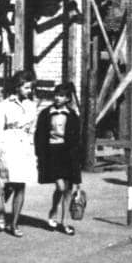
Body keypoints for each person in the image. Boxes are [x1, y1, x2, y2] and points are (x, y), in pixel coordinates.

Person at [0, 70, 39, 236]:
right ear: (17, 87)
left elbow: (33, 129)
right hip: (8, 146)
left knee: (21, 185)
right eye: (26, 87)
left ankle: (14, 224)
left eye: (31, 88)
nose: (29, 91)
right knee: (8, 183)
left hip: (25, 148)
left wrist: (34, 151)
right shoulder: (4, 105)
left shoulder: (32, 105)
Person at [34, 82, 82, 236]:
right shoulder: (45, 113)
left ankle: (65, 222)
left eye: (61, 95)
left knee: (68, 189)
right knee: (60, 187)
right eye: (56, 94)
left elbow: (77, 139)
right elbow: (39, 136)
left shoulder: (72, 115)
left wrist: (77, 160)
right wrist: (40, 155)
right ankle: (53, 210)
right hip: (52, 153)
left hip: (68, 153)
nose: (57, 98)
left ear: (67, 98)